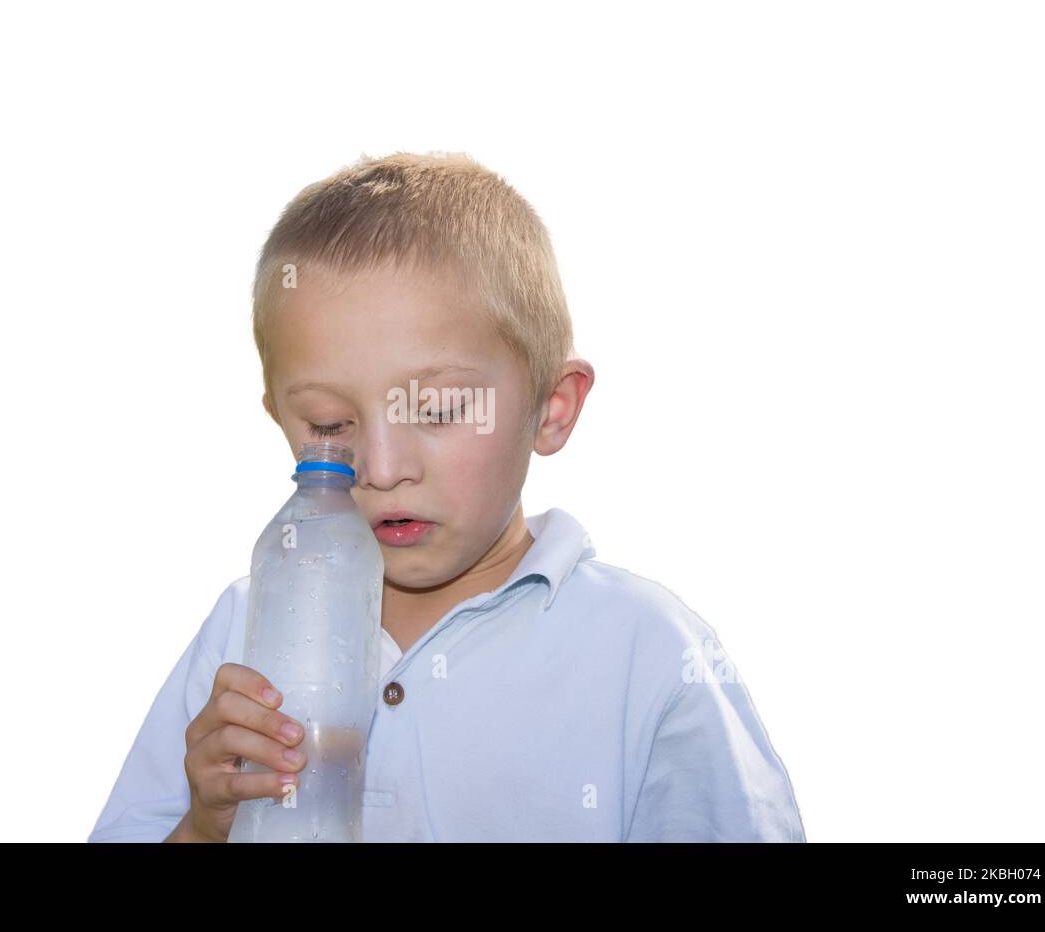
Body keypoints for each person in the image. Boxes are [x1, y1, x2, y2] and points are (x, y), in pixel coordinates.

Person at [88, 151, 806, 842]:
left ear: (551, 408)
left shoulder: (644, 651)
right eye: (331, 425)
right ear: (278, 416)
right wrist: (203, 831)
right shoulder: (243, 631)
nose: (383, 465)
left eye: (434, 411)